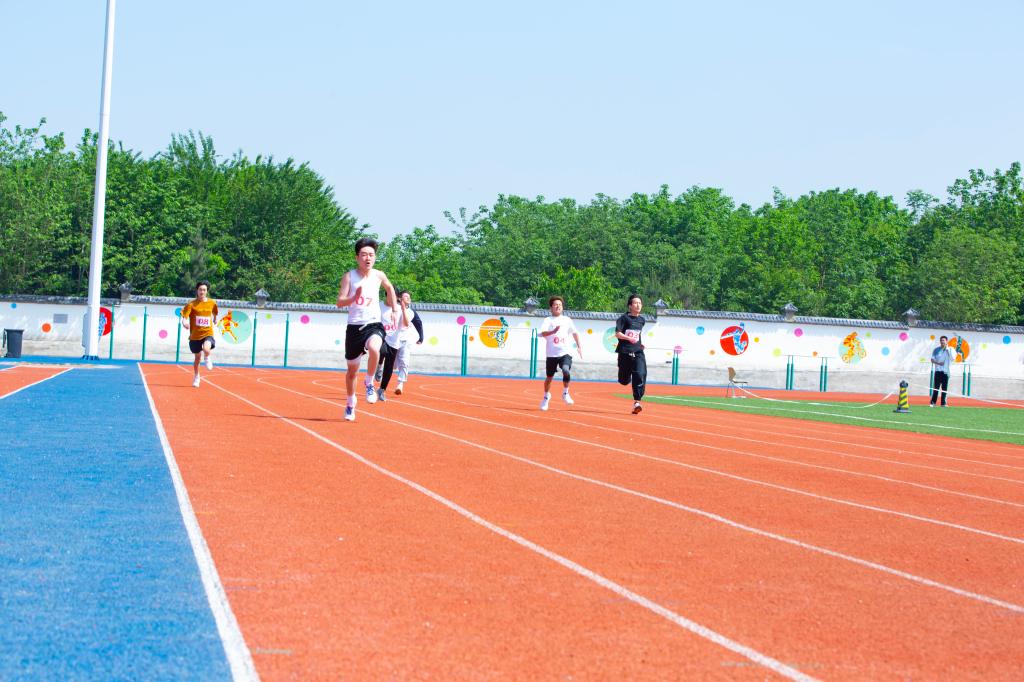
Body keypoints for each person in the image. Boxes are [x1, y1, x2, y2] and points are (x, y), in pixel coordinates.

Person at [336, 237, 398, 421]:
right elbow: (340, 302)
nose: (368, 258)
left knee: (375, 348)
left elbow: (390, 288)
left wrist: (395, 309)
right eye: (364, 255)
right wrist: (353, 298)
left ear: (375, 257)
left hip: (373, 324)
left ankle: (369, 382)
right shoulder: (349, 277)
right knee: (351, 372)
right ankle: (350, 403)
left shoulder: (379, 275)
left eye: (371, 254)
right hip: (354, 328)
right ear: (357, 257)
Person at [538, 296, 583, 410]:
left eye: (560, 305)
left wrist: (579, 346)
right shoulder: (548, 320)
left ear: (562, 307)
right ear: (551, 308)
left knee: (566, 370)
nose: (558, 306)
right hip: (552, 354)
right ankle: (546, 397)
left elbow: (575, 333)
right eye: (555, 305)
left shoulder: (567, 320)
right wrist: (553, 331)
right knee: (549, 378)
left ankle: (565, 393)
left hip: (565, 352)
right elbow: (542, 333)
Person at [377, 290, 421, 401]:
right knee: (382, 351)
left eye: (394, 296)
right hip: (383, 337)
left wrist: (402, 309)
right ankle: (379, 365)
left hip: (396, 341)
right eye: (390, 295)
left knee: (392, 367)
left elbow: (408, 324)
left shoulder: (405, 310)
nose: (392, 298)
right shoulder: (379, 306)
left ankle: (382, 389)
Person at [180, 281, 219, 388]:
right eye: (200, 290)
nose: (202, 292)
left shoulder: (212, 303)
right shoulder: (191, 304)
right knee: (197, 358)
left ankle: (207, 357)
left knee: (206, 349)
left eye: (204, 290)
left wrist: (215, 319)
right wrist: (184, 322)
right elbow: (184, 316)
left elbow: (215, 311)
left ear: (207, 291)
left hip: (207, 333)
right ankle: (197, 377)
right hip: (195, 335)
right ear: (197, 291)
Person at [614, 294, 647, 414]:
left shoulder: (642, 320)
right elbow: (618, 334)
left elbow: (637, 334)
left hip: (638, 352)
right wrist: (629, 338)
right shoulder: (623, 319)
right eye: (635, 303)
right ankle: (625, 377)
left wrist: (640, 343)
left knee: (640, 374)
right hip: (625, 352)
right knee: (624, 380)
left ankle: (637, 402)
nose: (638, 305)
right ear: (630, 306)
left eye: (640, 303)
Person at [930, 335, 954, 407]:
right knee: (936, 388)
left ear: (946, 341)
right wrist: (938, 363)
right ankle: (933, 402)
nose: (942, 341)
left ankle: (943, 403)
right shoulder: (936, 350)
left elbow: (952, 358)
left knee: (944, 389)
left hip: (945, 372)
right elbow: (932, 359)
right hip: (938, 371)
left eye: (944, 340)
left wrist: (948, 350)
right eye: (941, 340)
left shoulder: (949, 350)